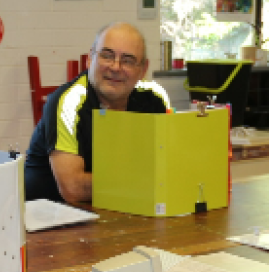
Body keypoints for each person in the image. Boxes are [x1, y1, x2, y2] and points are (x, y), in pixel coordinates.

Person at [25, 23, 170, 205]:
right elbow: (73, 189)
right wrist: (146, 182)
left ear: (143, 69)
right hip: (51, 218)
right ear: (90, 59)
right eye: (107, 56)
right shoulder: (69, 102)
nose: (115, 67)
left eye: (128, 60)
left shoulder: (153, 99)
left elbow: (167, 165)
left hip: (118, 209)